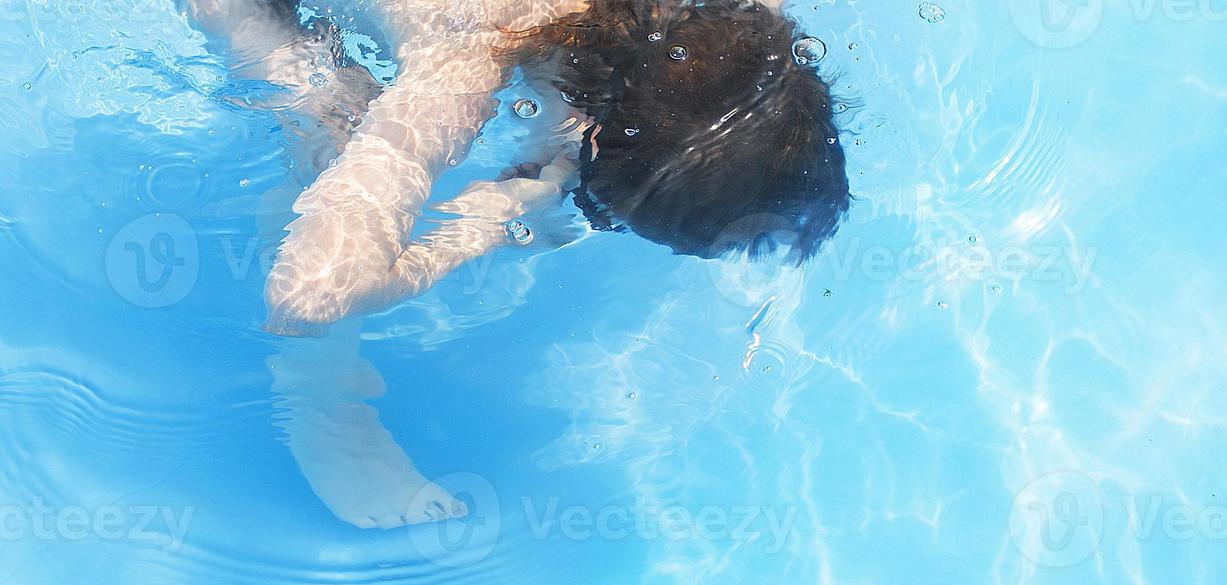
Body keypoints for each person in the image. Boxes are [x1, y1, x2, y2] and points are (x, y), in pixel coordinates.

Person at [188, 0, 851, 526]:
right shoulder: (464, 63)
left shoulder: (743, 22)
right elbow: (308, 296)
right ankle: (321, 408)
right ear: (591, 133)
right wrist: (478, 227)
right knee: (332, 132)